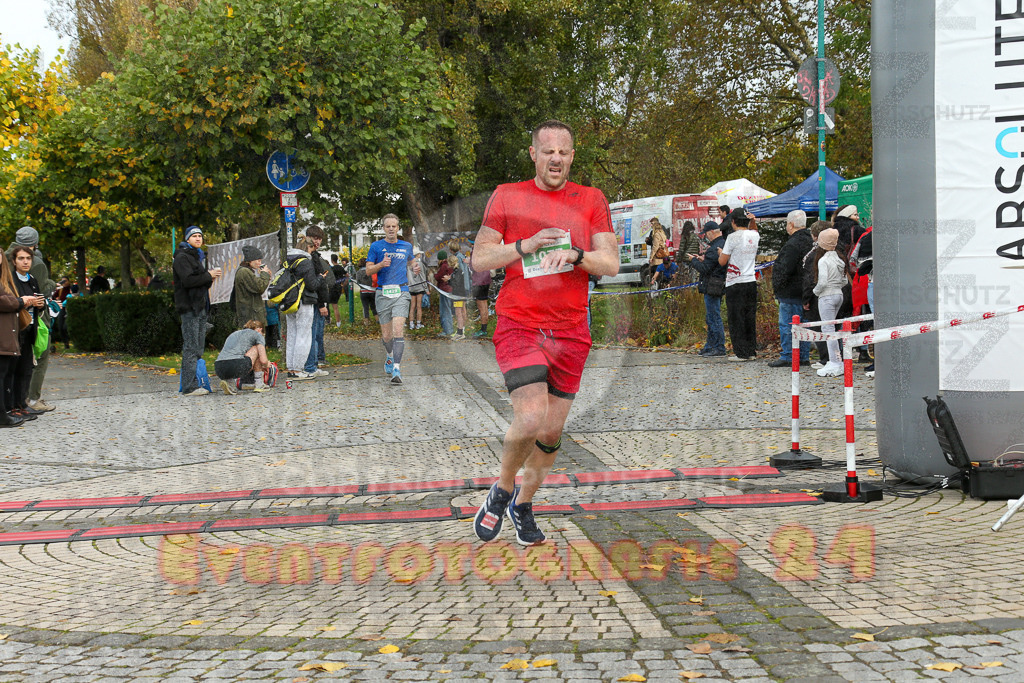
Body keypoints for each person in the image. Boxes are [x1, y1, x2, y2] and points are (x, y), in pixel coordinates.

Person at [470, 119, 618, 546]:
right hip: (520, 323)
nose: (556, 158)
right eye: (548, 151)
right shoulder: (507, 195)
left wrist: (575, 255)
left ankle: (522, 503)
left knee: (551, 433)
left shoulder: (591, 199)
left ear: (572, 156)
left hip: (571, 331)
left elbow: (610, 263)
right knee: (531, 417)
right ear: (533, 153)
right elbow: (480, 258)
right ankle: (502, 490)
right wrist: (525, 245)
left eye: (564, 152)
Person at [6, 227, 56, 412]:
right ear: (35, 243)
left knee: (12, 364)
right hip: (31, 318)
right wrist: (52, 284)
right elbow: (41, 292)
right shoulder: (36, 262)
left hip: (9, 318)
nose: (25, 261)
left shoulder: (4, 256)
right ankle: (31, 399)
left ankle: (13, 404)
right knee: (38, 357)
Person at [366, 214, 419, 384]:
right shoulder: (376, 246)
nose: (391, 229)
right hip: (383, 293)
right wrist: (381, 264)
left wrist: (415, 267)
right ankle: (389, 355)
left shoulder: (406, 246)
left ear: (398, 228)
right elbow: (368, 271)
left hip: (401, 291)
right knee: (387, 336)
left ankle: (397, 369)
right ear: (383, 228)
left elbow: (412, 262)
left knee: (398, 331)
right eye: (388, 226)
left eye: (393, 226)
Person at [172, 226, 223, 396]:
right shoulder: (182, 257)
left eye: (200, 236)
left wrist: (210, 277)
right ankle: (189, 387)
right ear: (187, 239)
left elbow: (201, 282)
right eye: (194, 236)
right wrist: (209, 275)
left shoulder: (197, 256)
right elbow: (188, 281)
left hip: (200, 307)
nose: (198, 238)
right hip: (189, 307)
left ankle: (195, 382)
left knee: (198, 348)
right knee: (191, 347)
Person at [768, 210, 813, 368]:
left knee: (788, 325)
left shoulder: (792, 244)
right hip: (806, 291)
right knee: (804, 325)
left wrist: (777, 286)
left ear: (791, 224)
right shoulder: (811, 241)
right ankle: (803, 356)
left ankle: (789, 355)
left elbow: (785, 268)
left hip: (790, 291)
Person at [718, 207, 760, 361]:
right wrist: (753, 221)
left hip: (735, 282)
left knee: (736, 318)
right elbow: (754, 230)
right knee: (749, 317)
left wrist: (720, 253)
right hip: (751, 281)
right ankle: (751, 351)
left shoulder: (733, 237)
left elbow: (722, 261)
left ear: (733, 221)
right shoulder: (754, 235)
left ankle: (741, 352)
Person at [680, 220, 727, 357]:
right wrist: (702, 259)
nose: (705, 236)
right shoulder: (723, 244)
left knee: (713, 318)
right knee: (711, 317)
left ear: (711, 232)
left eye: (706, 234)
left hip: (711, 286)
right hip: (718, 284)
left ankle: (718, 347)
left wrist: (693, 261)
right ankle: (710, 346)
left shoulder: (713, 248)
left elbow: (705, 269)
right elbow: (713, 264)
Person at [8, 246, 45, 420]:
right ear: (14, 261)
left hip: (30, 328)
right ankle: (12, 406)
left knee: (26, 368)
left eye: (28, 258)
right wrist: (27, 302)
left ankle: (23, 404)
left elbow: (38, 301)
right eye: (21, 258)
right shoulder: (10, 280)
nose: (25, 262)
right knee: (13, 369)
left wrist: (41, 304)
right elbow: (12, 303)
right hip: (15, 329)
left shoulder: (32, 279)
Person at [284, 236, 324, 381]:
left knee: (292, 335)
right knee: (303, 335)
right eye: (312, 248)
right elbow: (312, 285)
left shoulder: (288, 260)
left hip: (290, 302)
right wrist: (320, 278)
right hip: (304, 301)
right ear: (308, 247)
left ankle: (291, 368)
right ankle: (298, 369)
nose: (313, 252)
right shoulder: (305, 261)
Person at [812, 227, 850, 378]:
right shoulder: (839, 259)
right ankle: (837, 360)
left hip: (826, 296)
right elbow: (845, 280)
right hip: (839, 294)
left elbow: (822, 282)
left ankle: (835, 361)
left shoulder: (823, 261)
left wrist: (815, 292)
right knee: (833, 328)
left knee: (828, 330)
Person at [0, 249, 28, 427]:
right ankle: (2, 416)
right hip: (2, 336)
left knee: (4, 374)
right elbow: (4, 301)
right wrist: (20, 302)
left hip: (6, 334)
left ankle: (4, 413)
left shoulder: (5, 279)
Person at [215, 320, 275, 394]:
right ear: (260, 329)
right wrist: (266, 364)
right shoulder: (258, 335)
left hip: (219, 368)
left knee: (236, 357)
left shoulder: (234, 334)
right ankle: (259, 384)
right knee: (256, 348)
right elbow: (263, 360)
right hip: (236, 365)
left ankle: (229, 383)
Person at [303, 226, 331, 376]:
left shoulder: (313, 256)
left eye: (320, 239)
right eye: (315, 238)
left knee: (313, 334)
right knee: (313, 334)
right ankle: (311, 366)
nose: (317, 242)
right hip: (313, 301)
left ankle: (313, 364)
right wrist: (322, 304)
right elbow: (316, 283)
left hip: (313, 300)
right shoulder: (310, 258)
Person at [233, 245, 271, 328]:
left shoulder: (246, 271)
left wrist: (266, 276)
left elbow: (257, 285)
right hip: (251, 316)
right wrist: (264, 274)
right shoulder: (244, 271)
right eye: (258, 260)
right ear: (250, 260)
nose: (260, 263)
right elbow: (259, 287)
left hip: (251, 314)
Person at [470, 255, 492, 338]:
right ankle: (484, 329)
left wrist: (469, 262)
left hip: (479, 282)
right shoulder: (485, 252)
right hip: (486, 280)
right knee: (485, 306)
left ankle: (483, 330)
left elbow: (473, 267)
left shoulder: (476, 252)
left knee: (481, 307)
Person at [434, 250, 454, 336]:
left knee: (445, 310)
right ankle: (449, 329)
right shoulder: (449, 265)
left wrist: (435, 275)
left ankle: (447, 330)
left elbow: (438, 277)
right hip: (449, 289)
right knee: (448, 309)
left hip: (444, 290)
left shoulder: (443, 266)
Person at [448, 252, 469, 339]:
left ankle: (460, 332)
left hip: (458, 295)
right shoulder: (459, 270)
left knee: (458, 313)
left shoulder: (457, 271)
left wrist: (449, 280)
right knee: (463, 311)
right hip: (462, 293)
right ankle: (462, 329)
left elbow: (455, 284)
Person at [407, 248, 429, 330]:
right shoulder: (419, 264)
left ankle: (411, 324)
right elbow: (423, 276)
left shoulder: (408, 264)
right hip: (419, 287)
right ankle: (418, 324)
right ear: (417, 255)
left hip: (411, 287)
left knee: (412, 306)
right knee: (419, 306)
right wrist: (426, 289)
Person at [330, 253, 348, 323]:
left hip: (333, 287)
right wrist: (344, 284)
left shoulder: (332, 269)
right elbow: (347, 276)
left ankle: (333, 320)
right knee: (335, 305)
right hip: (339, 287)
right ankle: (338, 322)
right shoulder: (341, 267)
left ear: (332, 260)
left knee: (332, 305)